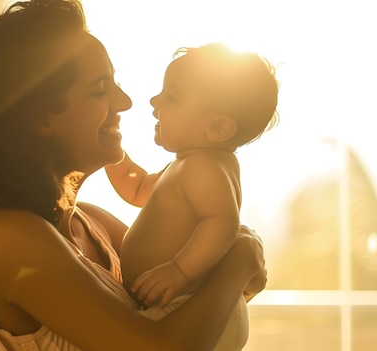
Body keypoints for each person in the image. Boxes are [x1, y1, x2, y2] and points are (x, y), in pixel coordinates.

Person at [0, 1, 267, 351]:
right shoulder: (8, 240)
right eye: (100, 89)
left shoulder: (95, 225)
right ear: (39, 117)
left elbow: (202, 303)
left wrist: (233, 264)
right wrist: (243, 255)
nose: (125, 102)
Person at [105, 43, 279, 350]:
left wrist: (179, 271)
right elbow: (138, 187)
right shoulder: (190, 164)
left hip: (190, 302)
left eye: (171, 97)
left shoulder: (203, 168)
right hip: (185, 301)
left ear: (217, 127)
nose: (154, 101)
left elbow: (223, 223)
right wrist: (111, 154)